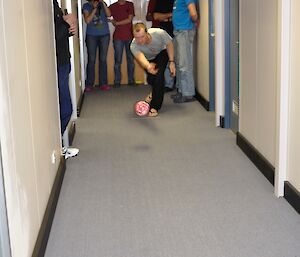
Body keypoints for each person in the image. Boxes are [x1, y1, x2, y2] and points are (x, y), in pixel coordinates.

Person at [130, 23, 176, 117]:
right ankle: (153, 93)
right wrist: (148, 66)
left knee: (159, 77)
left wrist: (171, 61)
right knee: (151, 79)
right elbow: (140, 58)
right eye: (137, 37)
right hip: (149, 60)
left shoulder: (159, 33)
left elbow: (169, 44)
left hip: (162, 53)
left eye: (142, 36)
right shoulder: (133, 45)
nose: (140, 40)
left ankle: (154, 107)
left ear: (147, 33)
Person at [53, 0, 79, 159]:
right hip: (57, 63)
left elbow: (60, 32)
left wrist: (70, 27)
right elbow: (53, 34)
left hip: (63, 60)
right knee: (66, 109)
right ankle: (57, 144)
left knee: (64, 107)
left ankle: (59, 144)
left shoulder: (54, 3)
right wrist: (65, 22)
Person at [172, 0, 199, 103]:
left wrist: (194, 22)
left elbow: (193, 13)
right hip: (178, 31)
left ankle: (188, 94)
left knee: (184, 63)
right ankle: (181, 90)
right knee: (179, 63)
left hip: (184, 31)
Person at [83, 0, 111, 92]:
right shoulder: (86, 6)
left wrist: (103, 3)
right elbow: (87, 20)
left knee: (103, 60)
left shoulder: (103, 4)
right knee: (91, 60)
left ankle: (103, 83)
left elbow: (109, 15)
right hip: (91, 36)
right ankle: (89, 84)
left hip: (104, 35)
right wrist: (95, 8)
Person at [109, 0, 135, 88]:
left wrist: (117, 23)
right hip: (118, 37)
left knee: (130, 60)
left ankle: (131, 80)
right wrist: (112, 21)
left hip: (129, 36)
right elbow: (108, 15)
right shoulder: (113, 6)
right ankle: (117, 81)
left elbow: (129, 19)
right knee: (118, 61)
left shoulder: (130, 4)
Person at [153, 0, 175, 92]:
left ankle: (178, 85)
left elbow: (178, 15)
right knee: (165, 59)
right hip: (164, 33)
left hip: (177, 31)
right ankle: (168, 85)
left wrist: (165, 17)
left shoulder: (176, 1)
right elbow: (155, 16)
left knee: (178, 60)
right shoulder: (160, 2)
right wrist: (170, 15)